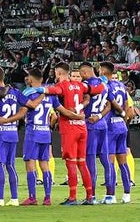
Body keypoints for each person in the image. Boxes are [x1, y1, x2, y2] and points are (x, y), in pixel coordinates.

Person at [42, 62, 92, 204]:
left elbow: (53, 92)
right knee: (82, 163)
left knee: (71, 163)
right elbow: (93, 91)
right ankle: (89, 196)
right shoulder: (81, 86)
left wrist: (39, 89)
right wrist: (82, 107)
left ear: (59, 74)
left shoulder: (62, 86)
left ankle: (72, 197)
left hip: (70, 128)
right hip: (82, 127)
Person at [0, 67, 26, 206]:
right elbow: (26, 107)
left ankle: (0, 198)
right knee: (10, 165)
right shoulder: (15, 92)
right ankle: (14, 198)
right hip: (13, 132)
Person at [19, 67, 58, 205]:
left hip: (32, 132)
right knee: (45, 164)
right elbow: (56, 114)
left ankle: (32, 197)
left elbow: (23, 111)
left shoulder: (28, 93)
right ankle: (47, 197)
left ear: (30, 79)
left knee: (30, 163)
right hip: (45, 133)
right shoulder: (50, 94)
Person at [100, 62, 134, 203]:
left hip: (111, 127)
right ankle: (127, 194)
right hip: (122, 126)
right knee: (123, 162)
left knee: (110, 162)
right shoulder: (121, 85)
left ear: (102, 71)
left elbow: (113, 103)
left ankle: (111, 195)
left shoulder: (106, 86)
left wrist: (119, 111)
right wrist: (124, 118)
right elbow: (127, 104)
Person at [80, 62, 112, 204]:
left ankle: (91, 196)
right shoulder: (104, 84)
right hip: (102, 124)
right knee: (106, 160)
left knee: (90, 160)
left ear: (85, 73)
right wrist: (99, 116)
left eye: (80, 74)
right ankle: (110, 195)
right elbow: (109, 104)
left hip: (89, 125)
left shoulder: (86, 86)